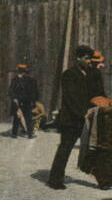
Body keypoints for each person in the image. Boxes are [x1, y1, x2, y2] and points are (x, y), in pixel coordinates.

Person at [47, 45, 95, 189]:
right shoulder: (68, 74)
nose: (89, 61)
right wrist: (82, 114)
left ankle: (103, 180)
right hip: (71, 120)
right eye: (86, 58)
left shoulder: (88, 73)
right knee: (65, 149)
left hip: (85, 118)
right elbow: (70, 98)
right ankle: (55, 180)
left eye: (90, 58)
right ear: (78, 58)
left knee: (94, 149)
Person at [8, 63, 39, 139]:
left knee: (26, 117)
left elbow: (34, 92)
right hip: (19, 101)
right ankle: (18, 133)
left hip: (25, 101)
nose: (22, 73)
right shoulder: (15, 80)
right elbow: (11, 91)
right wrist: (14, 98)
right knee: (19, 117)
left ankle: (27, 133)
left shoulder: (30, 80)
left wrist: (33, 101)